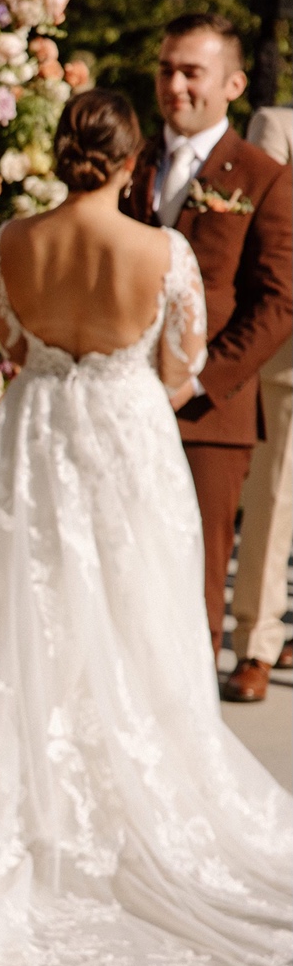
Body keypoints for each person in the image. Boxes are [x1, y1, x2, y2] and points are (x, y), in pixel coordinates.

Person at [0, 88, 293, 966]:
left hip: (31, 436)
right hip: (126, 439)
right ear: (131, 158)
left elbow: (11, 348)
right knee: (134, 612)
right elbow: (182, 367)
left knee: (25, 608)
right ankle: (114, 789)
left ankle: (26, 788)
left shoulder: (11, 242)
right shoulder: (161, 251)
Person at [125, 13, 293, 658]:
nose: (175, 86)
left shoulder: (262, 176)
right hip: (120, 399)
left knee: (195, 580)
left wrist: (196, 381)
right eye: (166, 70)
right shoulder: (129, 163)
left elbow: (278, 302)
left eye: (192, 72)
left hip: (208, 415)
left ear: (233, 84)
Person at [224, 102, 293, 702]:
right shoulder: (278, 126)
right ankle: (256, 643)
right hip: (289, 352)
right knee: (274, 497)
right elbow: (265, 234)